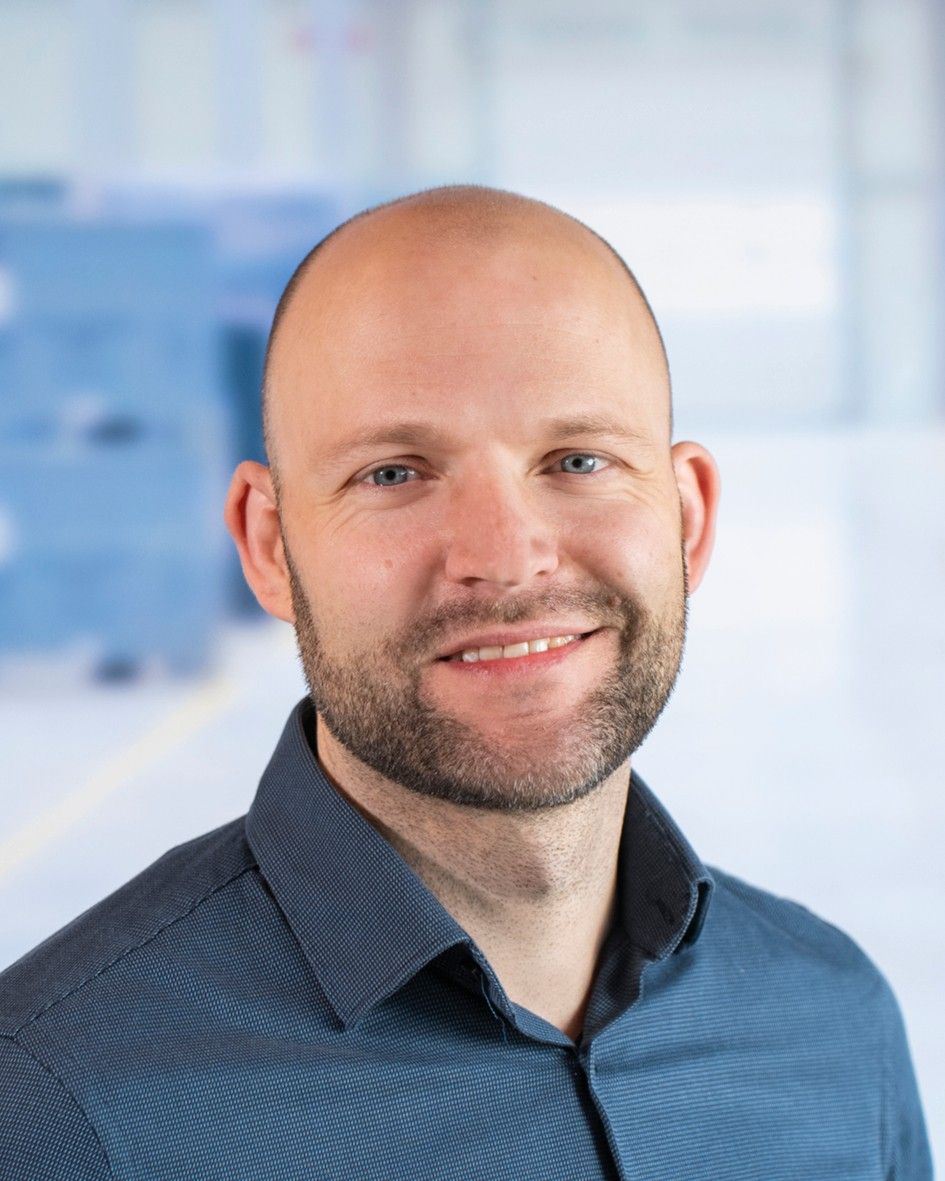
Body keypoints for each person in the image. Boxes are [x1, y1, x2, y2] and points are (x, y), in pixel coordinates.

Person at [0, 186, 932, 1179]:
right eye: (394, 473)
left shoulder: (836, 1024)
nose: (506, 557)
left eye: (577, 459)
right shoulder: (56, 1109)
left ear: (687, 518)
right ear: (269, 546)